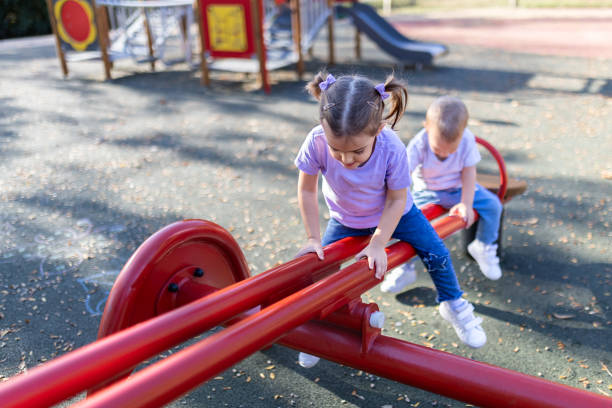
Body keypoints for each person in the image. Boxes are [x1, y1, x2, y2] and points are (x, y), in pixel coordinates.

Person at [294, 73, 486, 368]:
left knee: (435, 251)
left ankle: (453, 303)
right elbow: (306, 190)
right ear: (323, 128)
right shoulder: (317, 141)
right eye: (338, 150)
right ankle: (318, 328)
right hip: (346, 218)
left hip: (396, 214)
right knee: (321, 270)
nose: (346, 160)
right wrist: (312, 238)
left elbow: (397, 199)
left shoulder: (391, 147)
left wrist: (378, 243)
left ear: (379, 129)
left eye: (357, 151)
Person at [381, 96, 503, 295]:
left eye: (450, 150)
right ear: (426, 127)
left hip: (457, 188)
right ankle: (404, 267)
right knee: (406, 223)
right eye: (438, 149)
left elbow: (469, 172)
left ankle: (484, 245)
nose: (445, 155)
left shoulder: (466, 140)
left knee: (493, 205)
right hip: (428, 191)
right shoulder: (419, 143)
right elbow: (405, 173)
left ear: (462, 133)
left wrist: (466, 202)